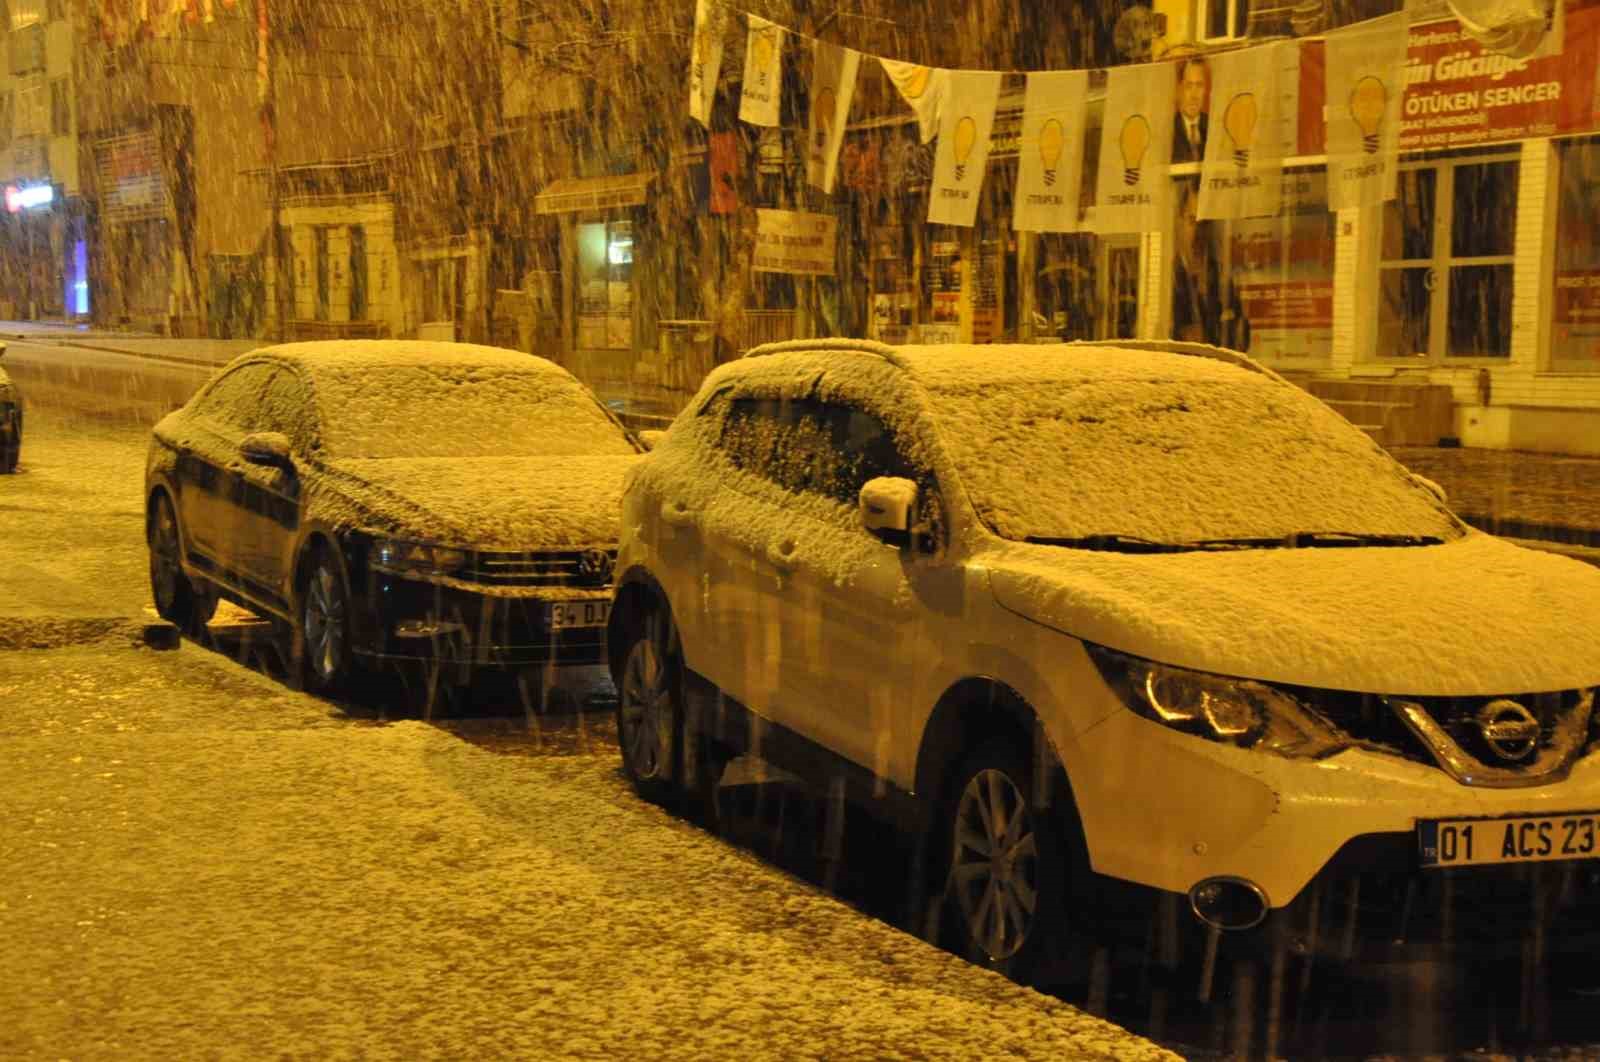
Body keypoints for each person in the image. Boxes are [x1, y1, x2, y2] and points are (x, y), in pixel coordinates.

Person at [1172, 181, 1250, 350]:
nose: (1198, 233)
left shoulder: (1221, 277)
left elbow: (1241, 338)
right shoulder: (1170, 278)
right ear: (1180, 222)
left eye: (1204, 224)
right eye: (1192, 221)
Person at [1172, 56, 1210, 165]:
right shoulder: (1168, 130)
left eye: (1199, 85)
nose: (1194, 95)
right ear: (1179, 90)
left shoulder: (1213, 126)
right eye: (1188, 86)